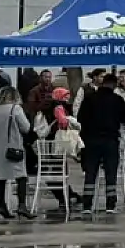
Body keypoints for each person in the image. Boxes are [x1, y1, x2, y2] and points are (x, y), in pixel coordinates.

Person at [77, 73, 125, 215]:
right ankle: (110, 205)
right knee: (110, 172)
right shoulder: (117, 100)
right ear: (113, 85)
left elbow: (80, 118)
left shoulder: (89, 99)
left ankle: (87, 205)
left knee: (90, 172)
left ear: (102, 83)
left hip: (91, 141)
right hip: (110, 141)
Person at [0, 87, 33, 220]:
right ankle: (22, 205)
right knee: (21, 176)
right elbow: (26, 127)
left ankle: (2, 205)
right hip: (14, 147)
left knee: (1, 178)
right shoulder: (15, 109)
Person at [32, 87, 83, 215]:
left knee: (51, 173)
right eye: (65, 96)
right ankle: (65, 197)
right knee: (61, 171)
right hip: (57, 144)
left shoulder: (44, 110)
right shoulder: (59, 108)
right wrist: (69, 119)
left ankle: (67, 196)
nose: (67, 98)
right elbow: (63, 122)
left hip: (46, 146)